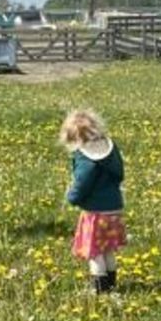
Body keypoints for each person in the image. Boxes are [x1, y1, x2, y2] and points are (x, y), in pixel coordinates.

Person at [62, 109, 126, 294]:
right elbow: (120, 173)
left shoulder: (86, 160)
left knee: (95, 252)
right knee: (108, 250)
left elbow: (82, 182)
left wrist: (72, 197)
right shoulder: (110, 150)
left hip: (95, 214)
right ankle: (111, 284)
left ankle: (99, 289)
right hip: (114, 210)